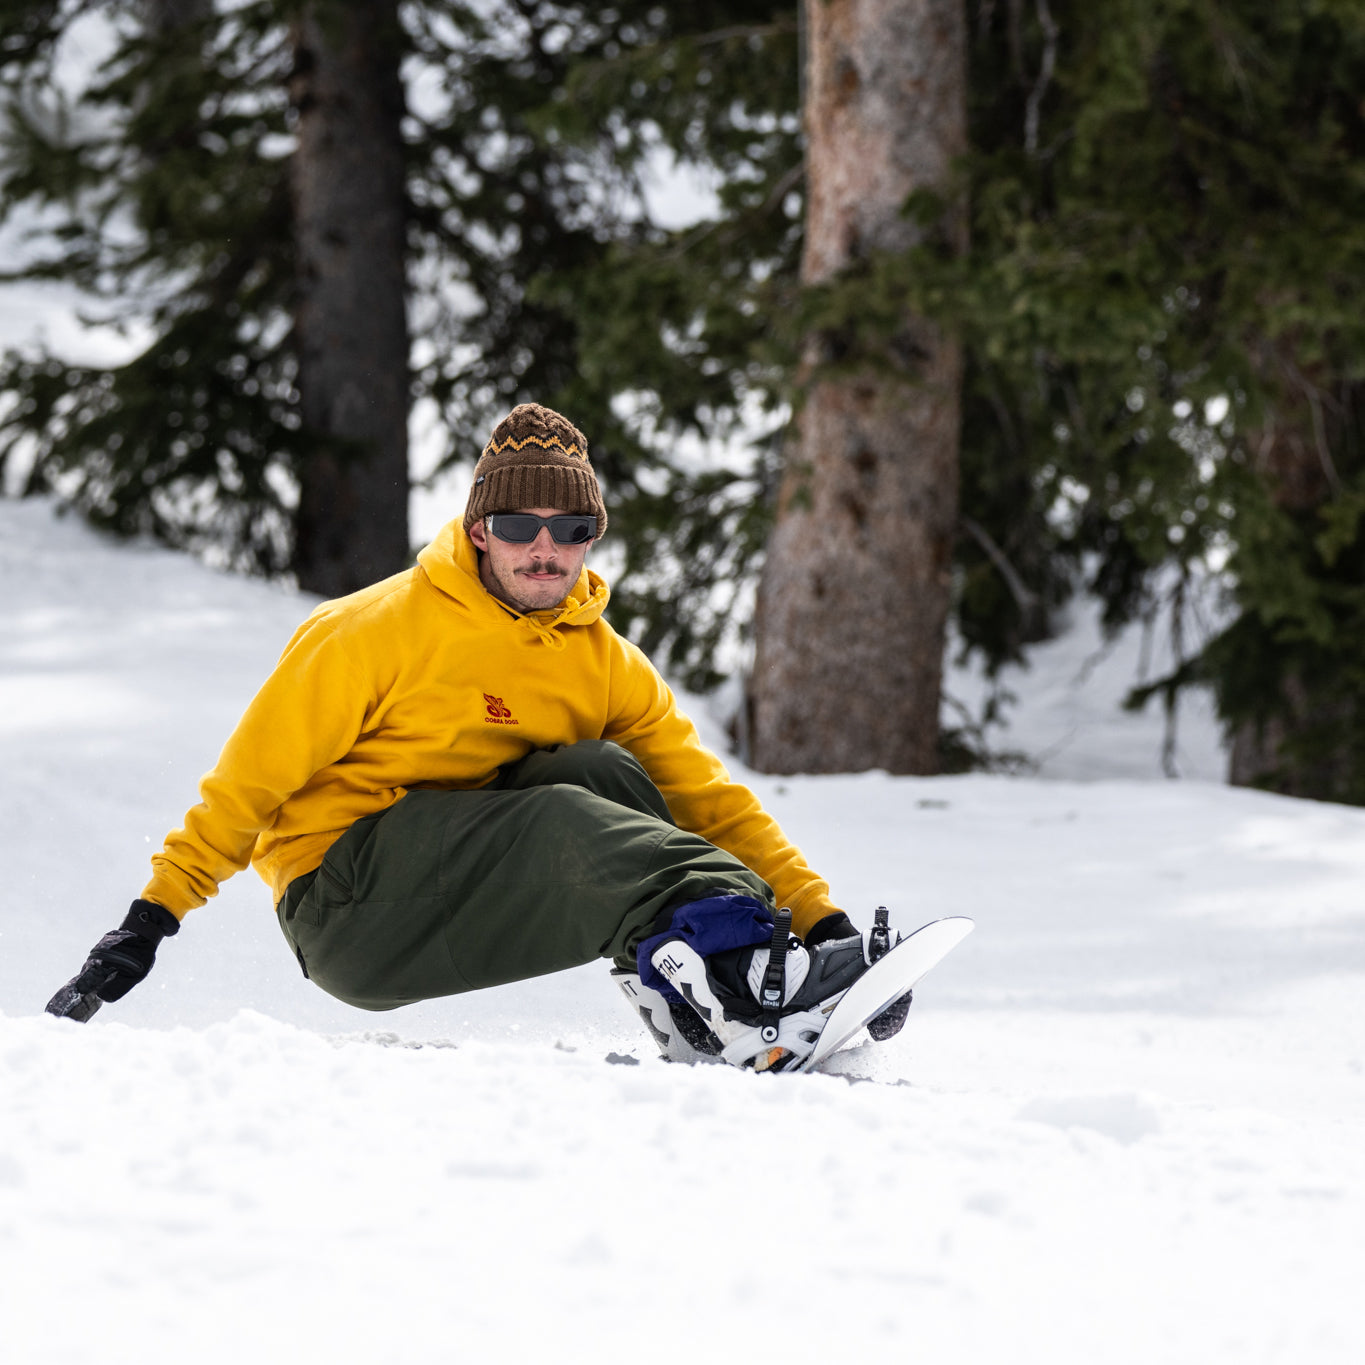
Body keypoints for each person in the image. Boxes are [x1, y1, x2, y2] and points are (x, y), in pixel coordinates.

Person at [46, 403, 909, 1070]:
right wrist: (150, 919)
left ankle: (709, 1006)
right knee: (565, 816)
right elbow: (247, 785)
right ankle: (750, 973)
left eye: (570, 530)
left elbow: (705, 800)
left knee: (607, 771)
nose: (545, 548)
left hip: (456, 867)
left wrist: (819, 916)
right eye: (518, 527)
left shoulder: (604, 663)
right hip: (345, 903)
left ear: (591, 538)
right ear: (476, 532)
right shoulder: (370, 631)